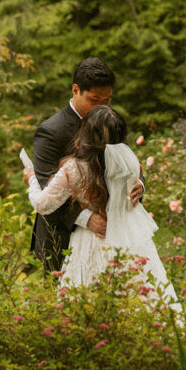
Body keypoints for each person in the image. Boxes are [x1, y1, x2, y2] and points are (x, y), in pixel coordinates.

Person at [23, 105, 179, 311]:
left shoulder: (75, 168)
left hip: (92, 241)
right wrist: (140, 183)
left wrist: (32, 179)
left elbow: (42, 205)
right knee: (138, 296)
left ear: (85, 133)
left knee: (90, 302)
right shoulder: (129, 162)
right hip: (128, 240)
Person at [29, 57, 143, 273]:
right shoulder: (51, 131)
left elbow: (124, 159)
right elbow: (46, 190)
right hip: (61, 239)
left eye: (107, 100)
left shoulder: (110, 120)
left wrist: (139, 184)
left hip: (112, 239)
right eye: (94, 100)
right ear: (75, 90)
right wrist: (86, 219)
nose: (101, 106)